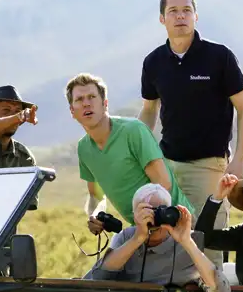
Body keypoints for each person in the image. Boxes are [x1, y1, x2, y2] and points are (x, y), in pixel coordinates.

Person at [137, 0, 243, 269]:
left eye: (186, 10)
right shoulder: (153, 62)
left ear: (196, 16)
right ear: (162, 19)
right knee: (166, 240)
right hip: (167, 167)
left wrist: (238, 160)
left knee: (208, 241)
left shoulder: (219, 56)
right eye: (173, 11)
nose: (180, 16)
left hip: (208, 167)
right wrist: (140, 155)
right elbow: (149, 109)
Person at [67, 72, 193, 233]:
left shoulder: (133, 130)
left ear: (105, 103)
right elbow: (95, 196)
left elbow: (163, 184)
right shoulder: (84, 148)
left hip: (176, 225)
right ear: (72, 111)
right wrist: (95, 216)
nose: (86, 104)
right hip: (141, 230)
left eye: (92, 97)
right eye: (79, 99)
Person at [84, 183, 231, 292]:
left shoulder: (188, 240)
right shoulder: (126, 238)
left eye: (160, 211)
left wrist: (187, 242)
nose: (153, 219)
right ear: (135, 216)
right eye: (147, 211)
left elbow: (220, 291)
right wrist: (138, 238)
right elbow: (97, 279)